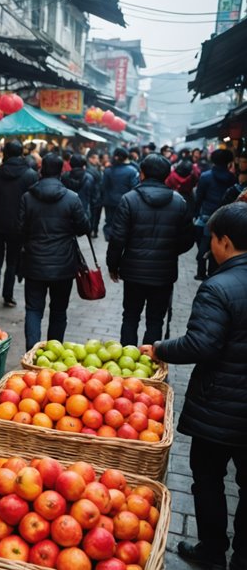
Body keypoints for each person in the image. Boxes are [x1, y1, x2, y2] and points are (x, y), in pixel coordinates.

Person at [142, 202, 247, 570]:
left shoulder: (218, 286)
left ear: (225, 241)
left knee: (208, 479)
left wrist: (159, 349)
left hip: (220, 404)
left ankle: (212, 550)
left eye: (213, 239)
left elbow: (202, 343)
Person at [106, 154, 196, 346]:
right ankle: (150, 364)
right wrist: (169, 251)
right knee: (156, 320)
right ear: (166, 175)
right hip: (163, 274)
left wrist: (113, 265)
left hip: (133, 272)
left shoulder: (129, 199)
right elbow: (188, 239)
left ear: (142, 173)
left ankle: (127, 361)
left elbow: (117, 239)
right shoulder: (179, 202)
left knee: (130, 316)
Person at [18, 153, 89, 349]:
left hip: (34, 263)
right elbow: (84, 227)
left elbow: (20, 229)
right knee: (58, 311)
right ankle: (53, 352)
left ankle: (31, 353)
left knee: (33, 309)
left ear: (41, 170)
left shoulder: (27, 197)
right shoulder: (72, 198)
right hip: (63, 265)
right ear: (61, 172)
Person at [0, 140, 38, 307]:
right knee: (13, 261)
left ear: (4, 153)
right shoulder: (30, 175)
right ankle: (8, 295)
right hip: (18, 225)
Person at [194, 149, 236, 280]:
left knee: (202, 243)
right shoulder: (232, 179)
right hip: (224, 215)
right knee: (216, 243)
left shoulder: (206, 176)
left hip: (206, 215)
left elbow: (199, 197)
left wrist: (196, 213)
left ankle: (201, 272)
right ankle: (212, 272)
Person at [101, 148, 139, 240]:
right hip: (125, 201)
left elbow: (103, 187)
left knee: (110, 222)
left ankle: (110, 240)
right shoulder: (132, 171)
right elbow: (134, 187)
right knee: (124, 222)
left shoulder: (108, 171)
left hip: (109, 201)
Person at [61, 154, 95, 222]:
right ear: (83, 164)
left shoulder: (64, 176)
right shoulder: (89, 178)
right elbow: (93, 197)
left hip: (67, 211)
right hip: (83, 211)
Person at [86, 150, 104, 238]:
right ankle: (92, 230)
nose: (97, 160)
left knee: (95, 215)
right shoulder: (90, 170)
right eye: (96, 158)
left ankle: (93, 230)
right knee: (93, 215)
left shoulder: (96, 168)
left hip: (96, 197)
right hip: (95, 197)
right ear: (90, 159)